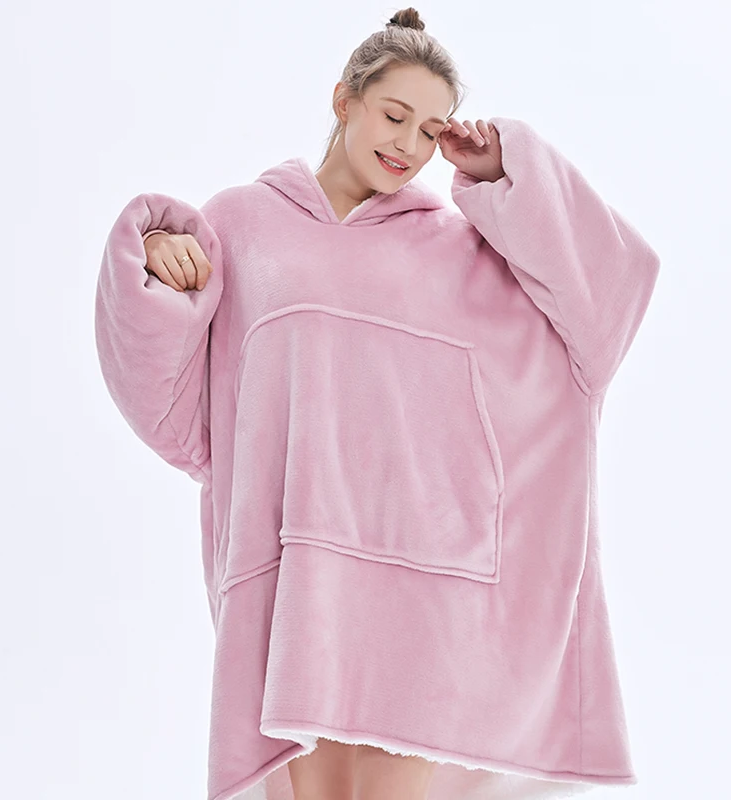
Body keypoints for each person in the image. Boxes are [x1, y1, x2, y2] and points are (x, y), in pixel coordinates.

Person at [94, 7, 661, 800]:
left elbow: (603, 308)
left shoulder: (459, 251)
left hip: (423, 579)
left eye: (429, 130)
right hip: (295, 576)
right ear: (345, 100)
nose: (408, 145)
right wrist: (156, 263)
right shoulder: (241, 225)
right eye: (395, 115)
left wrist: (510, 171)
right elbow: (175, 409)